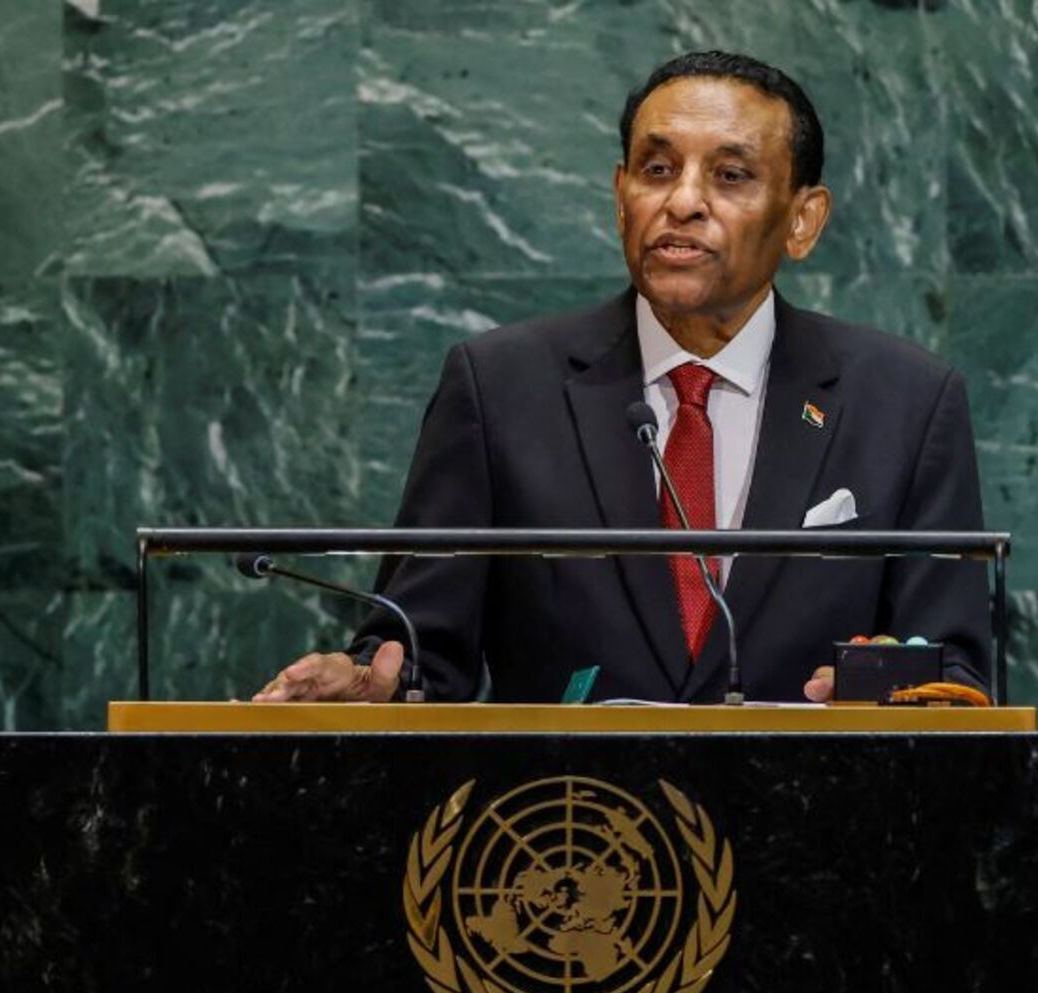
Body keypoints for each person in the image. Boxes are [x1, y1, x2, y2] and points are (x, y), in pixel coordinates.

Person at [255, 51, 988, 705]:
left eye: (730, 175)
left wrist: (895, 691)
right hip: (570, 812)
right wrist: (374, 683)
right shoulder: (500, 388)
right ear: (620, 194)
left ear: (803, 220)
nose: (683, 202)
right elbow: (418, 647)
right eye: (657, 169)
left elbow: (954, 671)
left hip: (815, 811)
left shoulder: (906, 403)